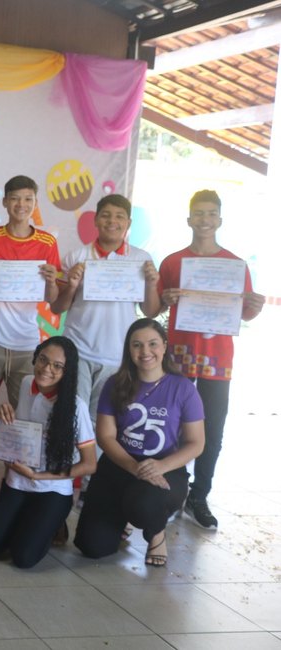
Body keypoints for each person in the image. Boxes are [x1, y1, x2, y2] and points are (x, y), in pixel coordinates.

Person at [157, 190, 264, 529]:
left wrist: (255, 306)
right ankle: (172, 489)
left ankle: (199, 495)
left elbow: (245, 312)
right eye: (198, 214)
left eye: (211, 214)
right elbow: (156, 305)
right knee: (172, 425)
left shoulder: (235, 265)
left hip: (218, 360)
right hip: (178, 356)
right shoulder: (174, 262)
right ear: (189, 219)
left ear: (220, 219)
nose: (204, 220)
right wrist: (165, 297)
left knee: (212, 430)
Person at [74, 319, 205, 567]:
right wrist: (134, 468)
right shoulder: (114, 384)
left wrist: (160, 466)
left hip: (165, 469)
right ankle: (122, 517)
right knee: (92, 547)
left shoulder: (183, 388)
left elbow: (195, 443)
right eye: (137, 345)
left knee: (144, 506)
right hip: (119, 465)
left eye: (152, 344)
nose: (145, 352)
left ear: (164, 346)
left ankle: (155, 533)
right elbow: (106, 436)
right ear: (129, 350)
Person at [0, 337, 97, 568]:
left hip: (52, 488)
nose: (47, 369)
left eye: (57, 366)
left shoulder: (76, 407)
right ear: (35, 357)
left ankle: (52, 521)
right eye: (43, 359)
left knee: (24, 558)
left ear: (67, 371)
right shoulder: (26, 384)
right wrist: (5, 414)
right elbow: (19, 431)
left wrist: (38, 476)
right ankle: (31, 519)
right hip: (17, 482)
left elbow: (90, 464)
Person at [0, 175, 61, 451]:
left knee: (28, 414)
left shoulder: (47, 243)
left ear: (35, 203)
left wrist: (52, 281)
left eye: (28, 199)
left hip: (27, 342)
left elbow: (54, 302)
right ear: (4, 202)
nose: (22, 204)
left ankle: (19, 478)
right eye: (15, 198)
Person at [50, 194, 161, 423]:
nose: (113, 221)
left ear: (129, 223)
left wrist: (151, 283)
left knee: (102, 421)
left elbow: (150, 311)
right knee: (71, 416)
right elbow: (57, 308)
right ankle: (69, 461)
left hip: (117, 354)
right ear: (96, 220)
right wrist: (71, 286)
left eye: (120, 216)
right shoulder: (76, 257)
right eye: (106, 215)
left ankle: (94, 461)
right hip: (77, 349)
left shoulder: (141, 259)